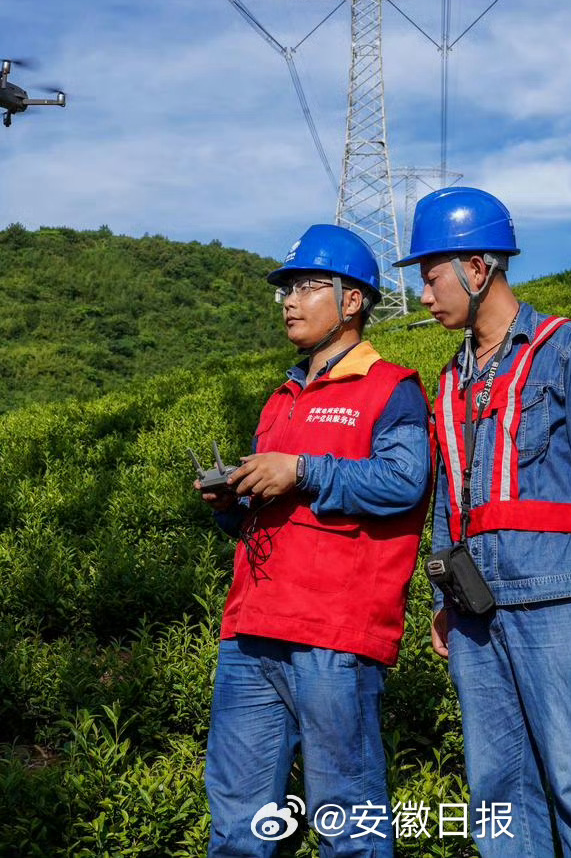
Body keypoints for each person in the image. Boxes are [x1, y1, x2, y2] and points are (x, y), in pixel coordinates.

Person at [395, 186, 571, 858]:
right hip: (476, 614)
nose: (423, 295)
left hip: (556, 604)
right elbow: (450, 496)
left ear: (477, 268)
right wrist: (444, 599)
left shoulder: (567, 349)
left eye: (432, 276)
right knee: (499, 796)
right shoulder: (452, 377)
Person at [198, 223, 432, 858]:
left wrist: (301, 470)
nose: (290, 302)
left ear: (352, 300)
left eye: (307, 287)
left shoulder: (391, 388)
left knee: (347, 817)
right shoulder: (281, 397)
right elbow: (264, 515)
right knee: (237, 819)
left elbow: (404, 481)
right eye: (287, 290)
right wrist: (232, 503)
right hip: (251, 628)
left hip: (333, 631)